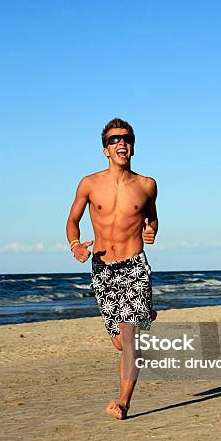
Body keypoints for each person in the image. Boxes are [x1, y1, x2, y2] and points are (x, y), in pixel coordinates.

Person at [66, 118, 158, 420]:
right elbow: (72, 221)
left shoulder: (147, 185)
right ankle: (141, 320)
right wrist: (76, 244)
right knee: (120, 341)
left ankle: (123, 402)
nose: (121, 143)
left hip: (134, 267)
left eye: (127, 138)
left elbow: (152, 218)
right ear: (105, 149)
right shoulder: (89, 184)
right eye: (114, 139)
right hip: (103, 269)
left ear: (132, 146)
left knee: (129, 336)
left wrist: (151, 230)